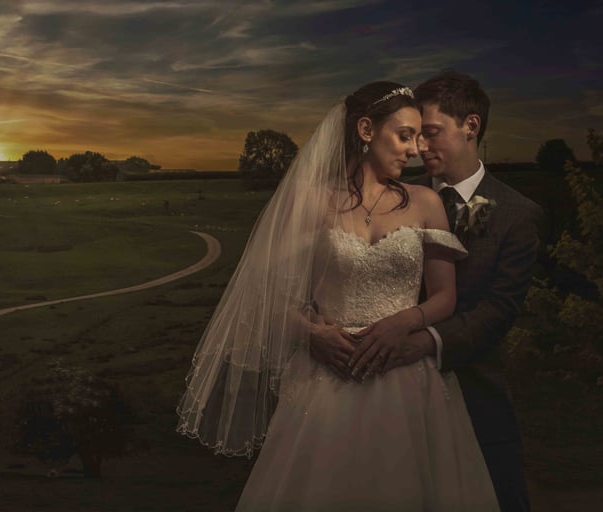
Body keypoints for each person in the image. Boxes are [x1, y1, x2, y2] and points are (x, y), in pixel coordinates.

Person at [177, 81, 500, 511]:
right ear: (366, 130)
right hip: (328, 378)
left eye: (421, 136)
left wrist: (403, 323)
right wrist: (311, 335)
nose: (416, 149)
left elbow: (445, 298)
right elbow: (267, 296)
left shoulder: (425, 202)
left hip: (408, 379)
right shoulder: (311, 204)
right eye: (405, 135)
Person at [349, 71, 543, 511]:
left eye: (430, 133)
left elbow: (497, 311)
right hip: (381, 398)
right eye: (414, 135)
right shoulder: (392, 191)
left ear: (470, 126)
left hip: (475, 398)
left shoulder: (518, 214)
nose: (419, 148)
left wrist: (418, 343)